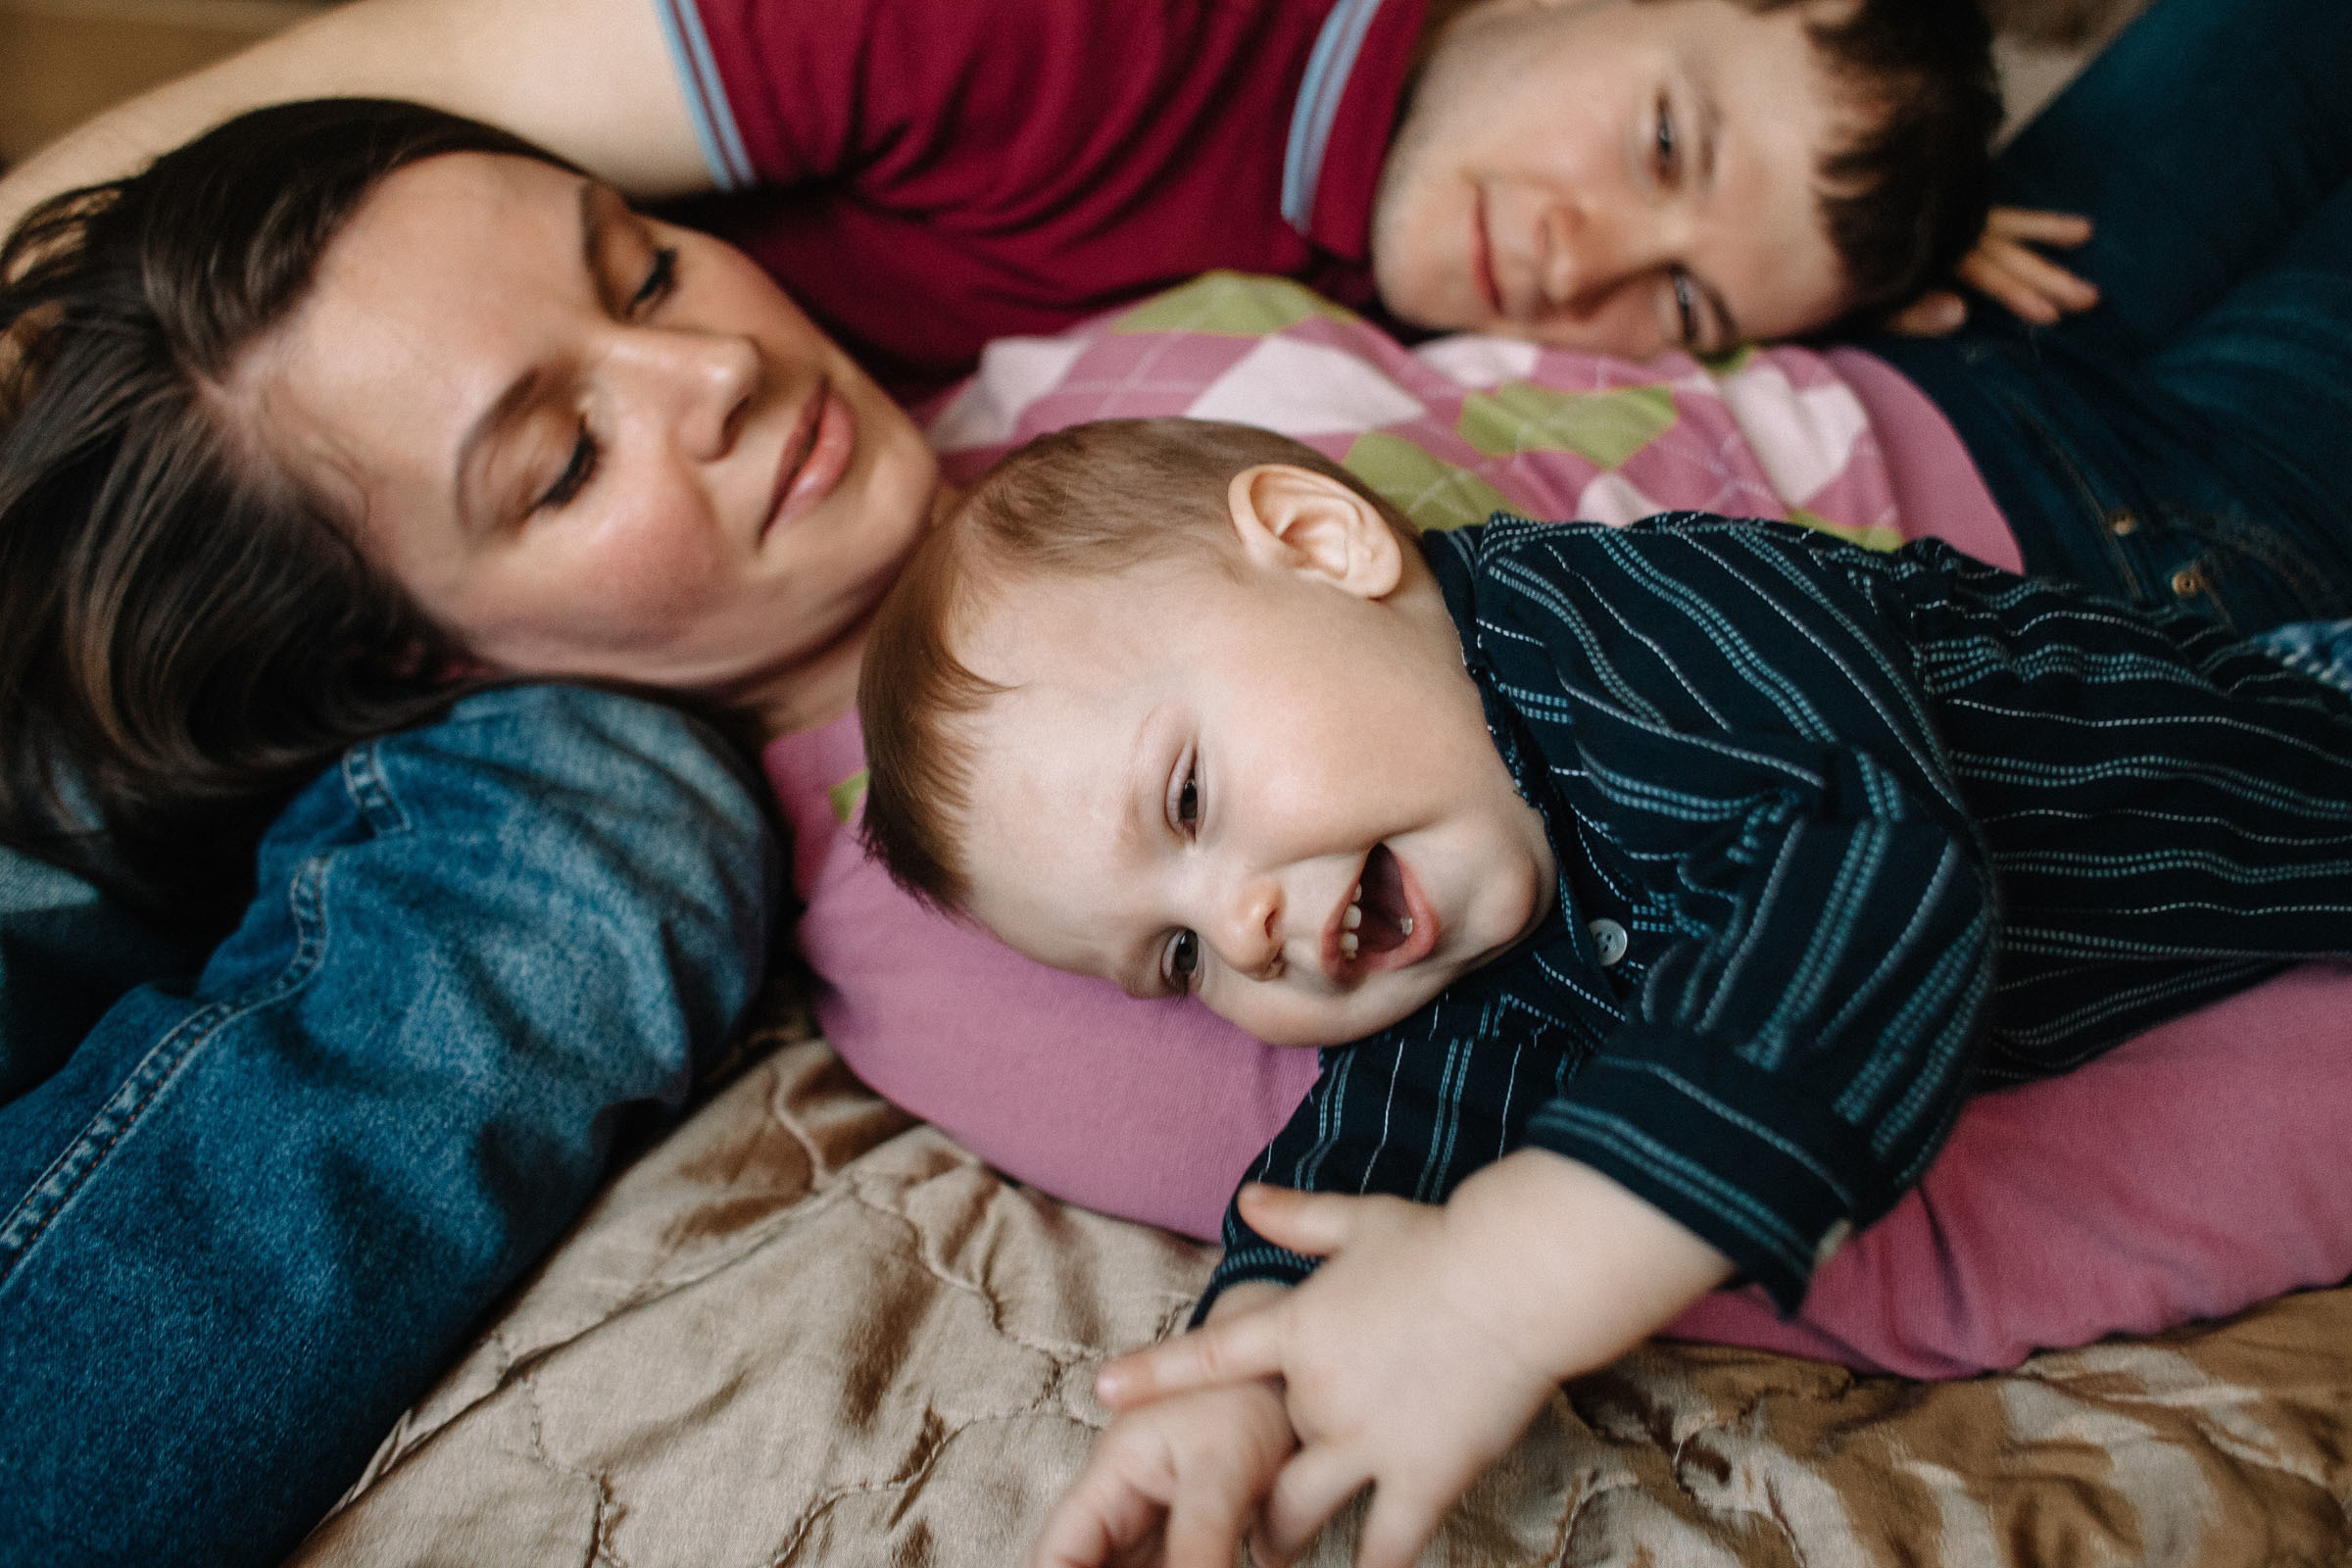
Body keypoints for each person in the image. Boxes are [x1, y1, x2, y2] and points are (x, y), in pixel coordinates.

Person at [1, 0, 2346, 1552]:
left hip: (1974, 381)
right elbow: (1489, 1133)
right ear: (440, 657)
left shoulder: (1021, 385)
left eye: (634, 270)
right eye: (558, 456)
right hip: (2175, 594)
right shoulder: (964, 898)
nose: (702, 368)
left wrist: (1825, 245)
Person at [851, 415, 2352, 1568]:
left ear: (1321, 543)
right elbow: (1391, 1139)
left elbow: (1866, 870)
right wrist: (1259, 1368)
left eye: (1187, 797)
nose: (1237, 929)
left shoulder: (1625, 629)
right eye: (1172, 959)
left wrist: (1524, 1272)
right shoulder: (1463, 938)